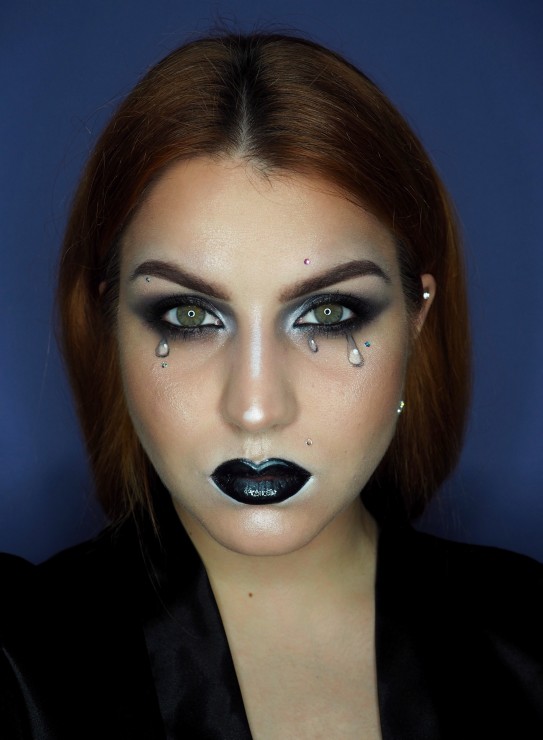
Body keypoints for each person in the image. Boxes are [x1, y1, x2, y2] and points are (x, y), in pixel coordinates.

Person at [1, 32, 542, 740]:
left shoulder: (529, 637)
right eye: (189, 317)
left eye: (329, 315)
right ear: (112, 328)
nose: (256, 408)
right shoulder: (18, 660)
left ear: (416, 321)